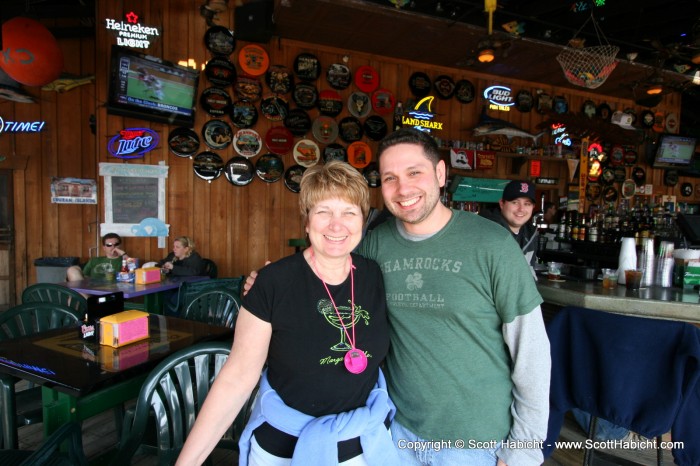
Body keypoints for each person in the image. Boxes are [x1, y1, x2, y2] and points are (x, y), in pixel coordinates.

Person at [245, 129, 551, 466]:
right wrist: (266, 282)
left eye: (414, 173)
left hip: (475, 442)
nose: (403, 188)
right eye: (390, 177)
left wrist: (524, 447)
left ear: (440, 174)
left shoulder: (492, 244)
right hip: (394, 436)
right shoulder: (375, 245)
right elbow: (325, 261)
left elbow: (532, 351)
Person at [176, 162, 398, 466]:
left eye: (349, 212)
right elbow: (237, 378)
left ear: (363, 219)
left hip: (364, 447)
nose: (337, 225)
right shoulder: (273, 282)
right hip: (282, 449)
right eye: (323, 212)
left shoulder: (373, 275)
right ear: (306, 221)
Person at [480, 180, 540, 270]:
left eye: (527, 204)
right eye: (515, 202)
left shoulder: (530, 233)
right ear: (502, 204)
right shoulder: (486, 231)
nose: (521, 209)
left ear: (533, 207)